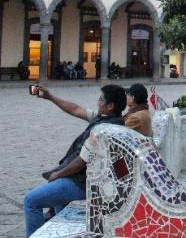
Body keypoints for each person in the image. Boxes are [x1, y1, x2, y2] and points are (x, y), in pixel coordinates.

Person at [23, 84, 126, 237]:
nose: (98, 102)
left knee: (31, 201)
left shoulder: (103, 130)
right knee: (60, 207)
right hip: (85, 181)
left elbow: (80, 162)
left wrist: (57, 174)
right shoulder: (110, 119)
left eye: (101, 99)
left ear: (110, 106)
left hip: (80, 182)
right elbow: (76, 109)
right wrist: (50, 97)